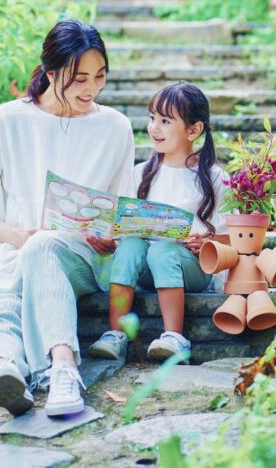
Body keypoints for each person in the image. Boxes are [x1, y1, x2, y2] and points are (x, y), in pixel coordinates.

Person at [0, 19, 134, 417]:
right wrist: (19, 236)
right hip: (9, 242)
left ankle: (63, 368)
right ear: (51, 74)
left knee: (44, 247)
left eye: (100, 76)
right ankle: (5, 369)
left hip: (80, 257)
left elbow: (122, 210)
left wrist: (110, 235)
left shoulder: (115, 127)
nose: (91, 89)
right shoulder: (5, 120)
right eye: (79, 78)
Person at [87, 82, 229, 362]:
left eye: (165, 121)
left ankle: (174, 337)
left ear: (194, 129)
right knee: (130, 244)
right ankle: (115, 334)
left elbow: (232, 239)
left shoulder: (214, 178)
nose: (155, 127)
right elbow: (122, 226)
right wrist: (109, 240)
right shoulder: (140, 174)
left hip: (192, 268)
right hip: (146, 270)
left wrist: (207, 242)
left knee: (163, 250)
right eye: (152, 118)